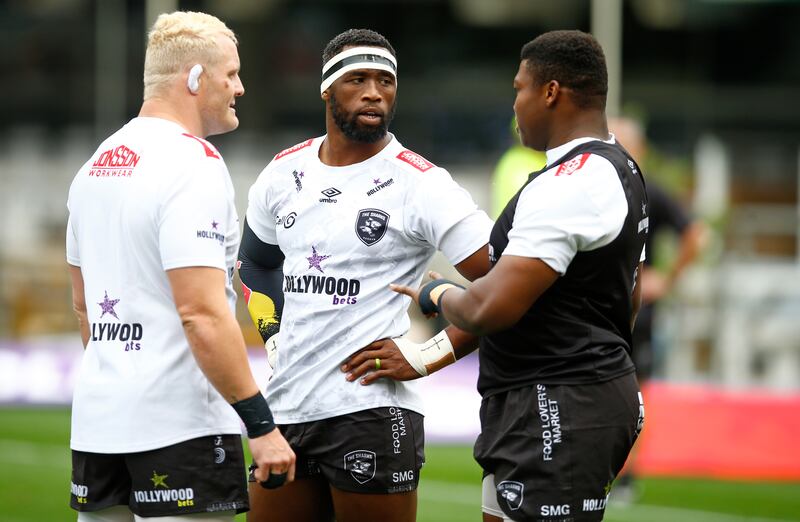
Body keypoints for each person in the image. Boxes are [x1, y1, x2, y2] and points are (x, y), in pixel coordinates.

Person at [380, 30, 649, 521]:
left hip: (557, 406)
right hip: (554, 399)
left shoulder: (573, 184)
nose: (515, 105)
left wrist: (434, 292)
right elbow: (622, 302)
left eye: (519, 89)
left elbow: (488, 307)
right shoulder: (616, 168)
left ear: (551, 92)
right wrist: (426, 356)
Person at [238, 28, 492, 522]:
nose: (375, 91)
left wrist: (428, 355)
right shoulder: (282, 173)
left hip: (373, 412)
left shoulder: (422, 184)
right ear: (327, 89)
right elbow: (255, 265)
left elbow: (506, 285)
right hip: (287, 405)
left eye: (386, 81)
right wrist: (273, 339)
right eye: (358, 79)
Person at [65, 11, 295, 522]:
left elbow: (84, 308)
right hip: (179, 426)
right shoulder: (195, 164)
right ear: (194, 79)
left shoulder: (94, 165)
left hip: (99, 425)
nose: (241, 87)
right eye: (231, 74)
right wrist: (260, 425)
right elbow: (201, 313)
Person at [608, 116, 705, 500]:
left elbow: (696, 234)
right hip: (601, 304)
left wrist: (666, 280)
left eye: (625, 142)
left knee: (633, 391)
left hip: (638, 310)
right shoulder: (601, 188)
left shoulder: (652, 192)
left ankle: (627, 475)